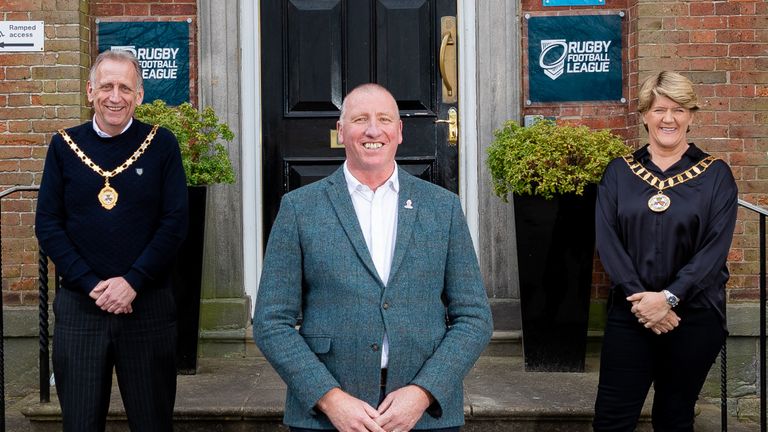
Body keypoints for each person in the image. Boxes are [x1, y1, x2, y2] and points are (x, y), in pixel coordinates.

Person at [253, 83, 493, 432]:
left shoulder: (443, 208)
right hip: (327, 416)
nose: (373, 130)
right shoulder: (300, 209)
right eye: (360, 119)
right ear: (341, 130)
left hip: (424, 415)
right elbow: (270, 322)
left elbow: (474, 317)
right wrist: (330, 398)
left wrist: (423, 392)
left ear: (399, 131)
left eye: (384, 119)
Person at [35, 49, 188, 431]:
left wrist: (132, 282)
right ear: (90, 91)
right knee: (81, 423)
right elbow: (49, 225)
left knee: (152, 422)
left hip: (147, 307)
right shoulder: (63, 146)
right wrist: (92, 285)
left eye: (125, 87)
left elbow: (174, 223)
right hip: (80, 309)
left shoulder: (162, 145)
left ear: (139, 95)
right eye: (106, 86)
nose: (114, 96)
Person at [592, 71, 738, 431]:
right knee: (612, 420)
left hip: (693, 315)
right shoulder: (619, 173)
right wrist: (644, 302)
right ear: (644, 115)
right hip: (632, 314)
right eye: (659, 109)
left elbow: (714, 249)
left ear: (691, 115)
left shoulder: (716, 175)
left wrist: (670, 298)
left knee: (674, 418)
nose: (668, 119)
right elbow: (608, 241)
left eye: (678, 109)